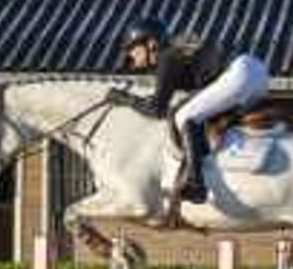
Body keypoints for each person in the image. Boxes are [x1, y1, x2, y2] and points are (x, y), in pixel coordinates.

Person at [106, 17, 270, 204]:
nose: (130, 56)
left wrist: (124, 99)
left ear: (150, 43)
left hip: (240, 72)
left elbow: (157, 110)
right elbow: (162, 103)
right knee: (201, 117)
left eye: (132, 49)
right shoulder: (173, 54)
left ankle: (196, 184)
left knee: (183, 116)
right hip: (257, 72)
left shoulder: (167, 57)